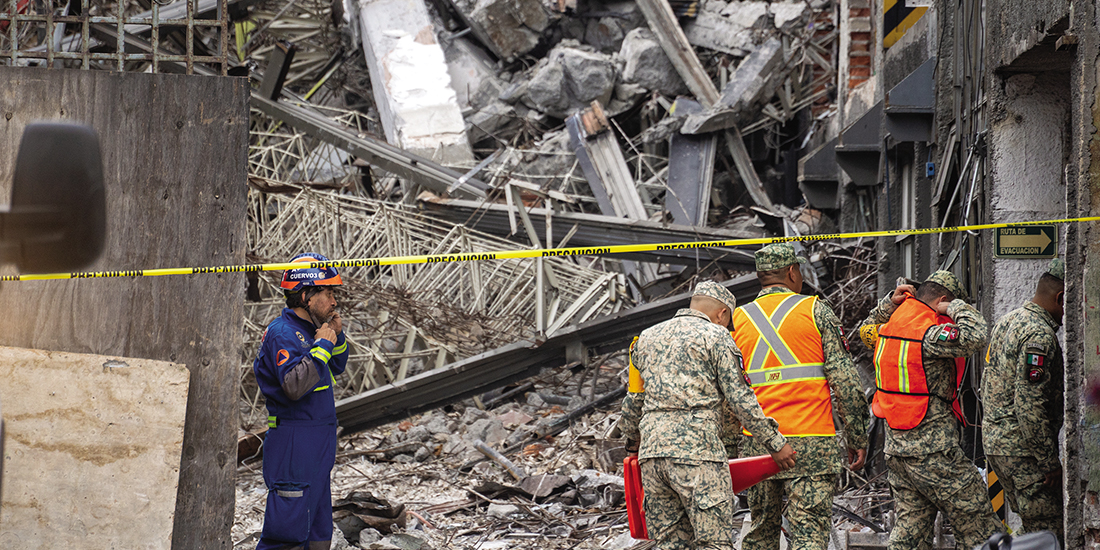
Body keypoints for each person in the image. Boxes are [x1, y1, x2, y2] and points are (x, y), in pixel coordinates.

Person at [620, 281, 797, 550]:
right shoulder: (716, 337)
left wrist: (633, 445)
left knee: (670, 545)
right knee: (714, 544)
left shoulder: (646, 338)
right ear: (722, 313)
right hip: (697, 455)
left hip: (653, 458)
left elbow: (634, 399)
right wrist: (775, 443)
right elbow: (740, 399)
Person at [731, 243, 869, 550]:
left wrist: (731, 450)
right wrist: (856, 436)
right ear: (793, 272)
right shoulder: (815, 310)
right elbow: (845, 381)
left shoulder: (737, 319)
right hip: (812, 444)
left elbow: (730, 393)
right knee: (809, 536)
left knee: (760, 532)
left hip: (759, 447)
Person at [860, 271, 1000, 550]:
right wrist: (955, 307)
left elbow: (866, 330)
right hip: (934, 453)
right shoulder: (928, 334)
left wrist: (888, 303)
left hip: (897, 452)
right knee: (980, 527)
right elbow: (976, 335)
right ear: (942, 300)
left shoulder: (889, 328)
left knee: (909, 534)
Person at [253, 253, 350, 550]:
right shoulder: (283, 333)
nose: (334, 301)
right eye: (328, 293)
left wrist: (336, 336)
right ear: (306, 296)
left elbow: (336, 367)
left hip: (318, 442)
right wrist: (322, 346)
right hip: (294, 444)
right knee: (287, 532)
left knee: (318, 531)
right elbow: (294, 386)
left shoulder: (312, 329)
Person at [981, 259, 1066, 545]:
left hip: (999, 445)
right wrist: (1048, 461)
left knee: (1031, 531)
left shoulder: (1009, 321)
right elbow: (1030, 404)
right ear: (1061, 298)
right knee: (1048, 533)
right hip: (1024, 451)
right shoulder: (1038, 335)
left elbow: (989, 383)